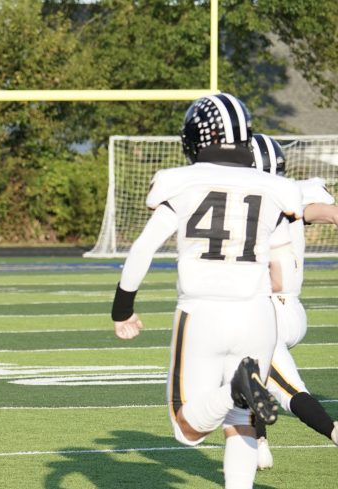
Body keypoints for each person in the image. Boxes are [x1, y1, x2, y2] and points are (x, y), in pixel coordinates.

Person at [111, 93, 303, 489]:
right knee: (242, 421)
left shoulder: (181, 182)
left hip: (202, 312)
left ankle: (234, 390)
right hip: (258, 314)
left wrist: (122, 308)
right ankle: (239, 396)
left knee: (188, 428)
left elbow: (143, 249)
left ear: (199, 137)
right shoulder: (275, 188)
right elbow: (284, 274)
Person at [250, 133, 338, 469]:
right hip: (294, 312)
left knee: (287, 390)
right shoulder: (294, 193)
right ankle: (258, 442)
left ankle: (331, 430)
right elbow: (330, 213)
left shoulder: (244, 203)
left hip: (266, 312)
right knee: (247, 372)